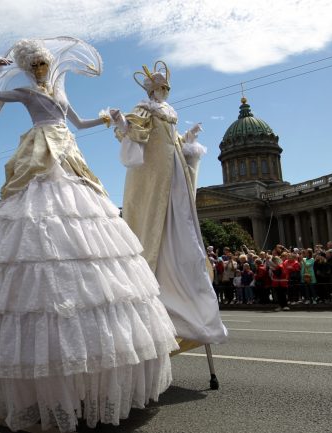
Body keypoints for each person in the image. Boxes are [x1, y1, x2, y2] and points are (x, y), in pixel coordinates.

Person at [0, 37, 178, 433]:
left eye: (43, 62)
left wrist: (107, 117)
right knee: (41, 228)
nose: (41, 67)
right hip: (41, 153)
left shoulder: (59, 91)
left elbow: (78, 123)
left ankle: (87, 380)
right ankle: (48, 391)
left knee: (85, 232)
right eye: (35, 63)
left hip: (70, 153)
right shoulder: (24, 92)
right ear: (28, 66)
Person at [110, 61, 228, 346]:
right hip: (155, 170)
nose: (162, 91)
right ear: (151, 88)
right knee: (155, 218)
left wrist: (188, 138)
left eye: (165, 87)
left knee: (179, 218)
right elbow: (135, 130)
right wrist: (120, 123)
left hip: (172, 167)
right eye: (159, 87)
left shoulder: (169, 112)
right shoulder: (145, 108)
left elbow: (172, 139)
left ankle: (186, 299)